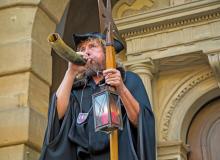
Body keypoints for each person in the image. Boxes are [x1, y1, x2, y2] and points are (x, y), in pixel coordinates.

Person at [39, 32, 156, 160]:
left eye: (92, 46)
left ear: (107, 52)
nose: (86, 52)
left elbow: (141, 121)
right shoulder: (77, 90)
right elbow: (56, 116)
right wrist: (71, 72)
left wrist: (121, 89)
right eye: (82, 49)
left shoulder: (128, 80)